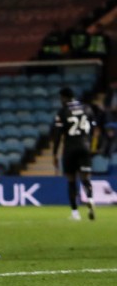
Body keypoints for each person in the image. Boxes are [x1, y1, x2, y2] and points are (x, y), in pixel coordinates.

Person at [51, 87, 97, 221]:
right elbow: (94, 129)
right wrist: (89, 144)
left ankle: (75, 213)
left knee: (71, 180)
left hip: (70, 148)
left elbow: (58, 135)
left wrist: (54, 154)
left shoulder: (63, 111)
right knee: (85, 178)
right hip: (85, 146)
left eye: (61, 98)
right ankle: (90, 198)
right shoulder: (87, 108)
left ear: (64, 97)